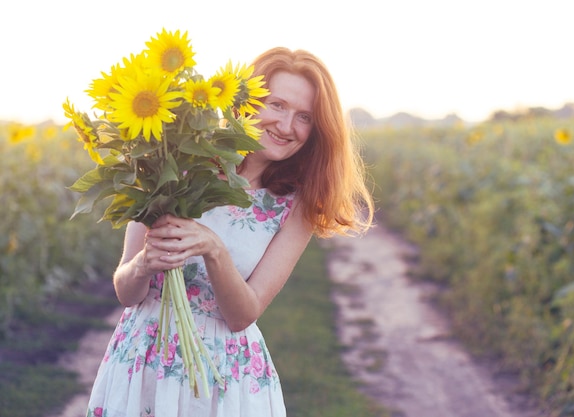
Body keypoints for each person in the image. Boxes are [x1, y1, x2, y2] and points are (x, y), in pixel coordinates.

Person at [85, 47, 374, 417]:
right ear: (247, 100)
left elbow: (243, 314)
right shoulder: (173, 160)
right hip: (143, 358)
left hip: (224, 374)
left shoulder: (296, 204)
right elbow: (126, 292)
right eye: (277, 105)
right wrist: (143, 264)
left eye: (305, 116)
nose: (287, 126)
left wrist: (214, 249)